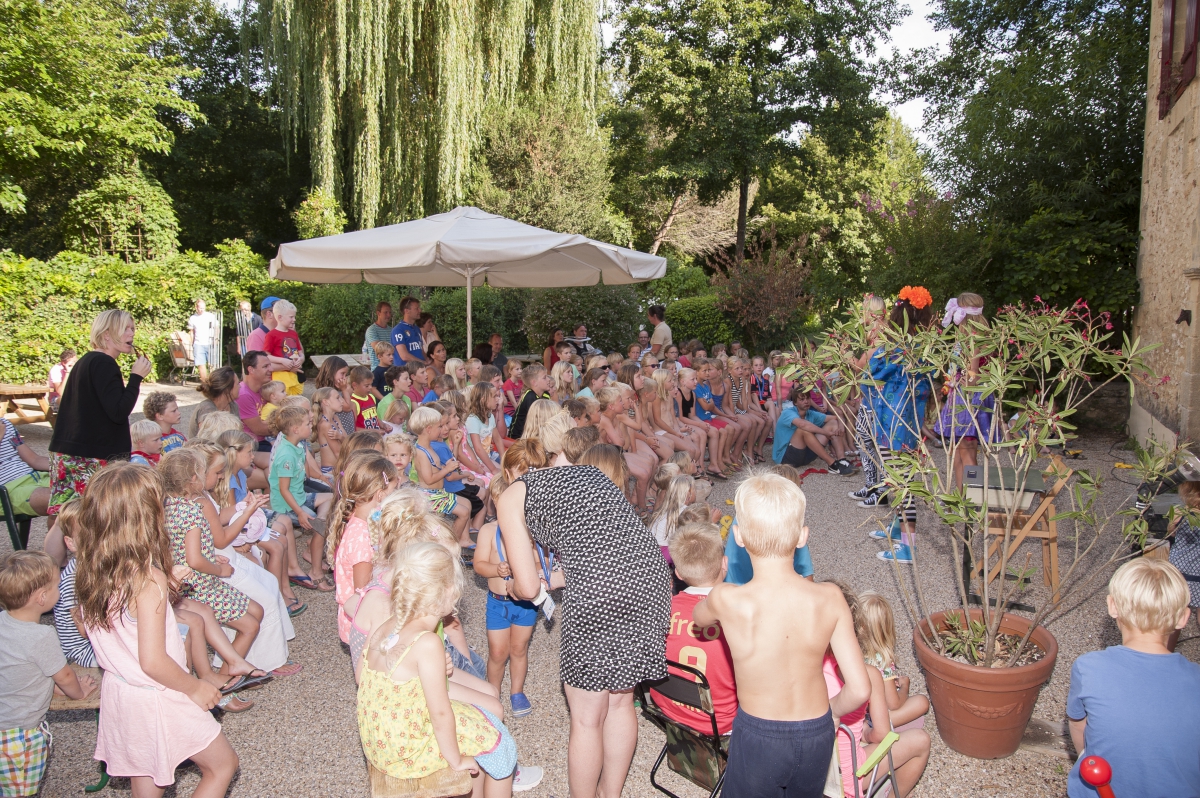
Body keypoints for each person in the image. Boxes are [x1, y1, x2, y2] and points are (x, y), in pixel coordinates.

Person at [495, 442, 671, 798]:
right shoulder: (589, 473)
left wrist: (512, 586)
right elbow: (605, 547)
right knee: (621, 699)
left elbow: (527, 588)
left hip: (599, 590)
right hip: (650, 574)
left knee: (587, 717)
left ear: (511, 475)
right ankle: (610, 793)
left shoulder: (511, 496)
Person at [691, 473, 870, 798]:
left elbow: (698, 618)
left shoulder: (728, 599)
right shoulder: (830, 598)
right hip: (816, 731)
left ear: (739, 536)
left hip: (760, 734)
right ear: (802, 536)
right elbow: (859, 689)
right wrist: (833, 711)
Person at [74, 463, 238, 797]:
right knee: (222, 765)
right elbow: (152, 661)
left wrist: (167, 587)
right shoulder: (148, 579)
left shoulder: (92, 567)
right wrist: (195, 687)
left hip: (122, 692)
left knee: (149, 774)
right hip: (159, 694)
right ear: (147, 517)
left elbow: (103, 625)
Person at [358, 541, 521, 795]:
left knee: (482, 718)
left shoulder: (389, 623)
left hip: (380, 738)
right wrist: (456, 760)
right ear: (448, 590)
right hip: (407, 747)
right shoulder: (427, 642)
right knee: (502, 748)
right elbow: (441, 714)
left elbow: (365, 675)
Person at [1063, 558, 1200, 797]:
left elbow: (1077, 724)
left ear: (1112, 606)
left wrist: (1085, 755)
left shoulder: (1089, 667)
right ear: (1183, 617)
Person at [0, 551, 98, 797]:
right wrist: (79, 692)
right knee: (20, 792)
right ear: (42, 597)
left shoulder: (3, 622)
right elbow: (65, 677)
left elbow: (20, 669)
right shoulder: (41, 636)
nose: (60, 589)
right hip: (21, 735)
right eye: (56, 585)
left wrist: (48, 688)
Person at [47, 309, 151, 532]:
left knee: (64, 517)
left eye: (132, 328)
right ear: (106, 335)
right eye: (125, 328)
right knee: (93, 521)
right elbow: (118, 411)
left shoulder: (86, 360)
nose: (131, 333)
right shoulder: (104, 363)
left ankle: (54, 555)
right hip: (91, 456)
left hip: (69, 451)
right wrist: (136, 378)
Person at [159, 449, 263, 657]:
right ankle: (229, 671)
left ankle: (230, 665)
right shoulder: (193, 511)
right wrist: (219, 569)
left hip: (194, 580)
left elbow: (179, 546)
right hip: (200, 585)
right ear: (193, 478)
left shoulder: (168, 504)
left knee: (256, 611)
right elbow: (194, 560)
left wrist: (209, 555)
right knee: (251, 626)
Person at [474, 473, 561, 718]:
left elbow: (543, 564)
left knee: (519, 649)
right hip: (497, 603)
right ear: (494, 502)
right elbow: (478, 564)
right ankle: (492, 694)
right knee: (497, 652)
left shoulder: (532, 534)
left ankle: (517, 691)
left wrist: (529, 567)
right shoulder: (488, 531)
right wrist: (496, 569)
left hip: (525, 604)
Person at [866, 287, 934, 564]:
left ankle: (909, 547)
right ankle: (897, 527)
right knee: (899, 477)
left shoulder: (895, 346)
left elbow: (874, 370)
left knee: (901, 482)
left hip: (892, 420)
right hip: (911, 419)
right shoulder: (926, 345)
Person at [650, 522, 738, 735]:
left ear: (678, 574)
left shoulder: (660, 610)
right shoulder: (737, 617)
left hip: (668, 708)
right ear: (724, 563)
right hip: (722, 723)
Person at [327, 453, 397, 643]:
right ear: (380, 494)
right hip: (364, 624)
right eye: (394, 489)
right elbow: (363, 591)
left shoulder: (360, 519)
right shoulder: (362, 537)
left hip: (365, 617)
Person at [856, 591, 929, 729]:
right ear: (887, 628)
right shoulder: (881, 660)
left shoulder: (849, 650)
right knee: (922, 701)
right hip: (869, 717)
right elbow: (894, 704)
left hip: (847, 712)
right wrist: (904, 686)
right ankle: (867, 728)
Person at [773, 385, 856, 474]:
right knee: (803, 430)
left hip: (805, 456)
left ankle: (842, 460)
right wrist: (826, 433)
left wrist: (841, 427)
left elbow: (836, 418)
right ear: (795, 403)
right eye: (802, 399)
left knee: (833, 423)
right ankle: (832, 464)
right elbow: (802, 424)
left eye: (808, 398)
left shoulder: (810, 413)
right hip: (785, 458)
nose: (806, 401)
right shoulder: (788, 412)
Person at [0, 419, 50, 520]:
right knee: (63, 498)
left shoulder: (4, 423)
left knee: (82, 489)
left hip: (34, 477)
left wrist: (70, 466)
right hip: (7, 489)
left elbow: (34, 459)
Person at [262, 299, 305, 396]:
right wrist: (282, 361)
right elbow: (266, 356)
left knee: (296, 400)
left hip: (295, 375)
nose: (294, 319)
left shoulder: (293, 334)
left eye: (294, 317)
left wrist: (301, 359)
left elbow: (300, 352)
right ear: (280, 317)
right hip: (280, 376)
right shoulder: (271, 335)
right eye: (291, 317)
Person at [188, 367, 240, 439]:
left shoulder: (233, 405)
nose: (240, 386)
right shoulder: (206, 409)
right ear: (227, 389)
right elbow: (208, 441)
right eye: (238, 384)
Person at [507, 364, 552, 439]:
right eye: (544, 377)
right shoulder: (530, 397)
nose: (548, 379)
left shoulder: (546, 394)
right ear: (534, 382)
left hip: (533, 433)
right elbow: (537, 421)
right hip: (519, 438)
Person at [187, 299, 219, 381]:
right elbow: (191, 332)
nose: (202, 310)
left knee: (212, 364)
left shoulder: (210, 316)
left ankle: (213, 381)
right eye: (200, 308)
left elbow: (217, 328)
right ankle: (205, 383)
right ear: (196, 307)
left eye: (203, 308)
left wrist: (216, 339)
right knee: (201, 364)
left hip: (210, 343)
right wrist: (192, 343)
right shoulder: (193, 318)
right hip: (198, 343)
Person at [348, 366, 385, 430]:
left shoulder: (371, 397)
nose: (370, 387)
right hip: (363, 436)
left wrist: (383, 424)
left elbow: (374, 417)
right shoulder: (354, 402)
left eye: (371, 384)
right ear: (355, 385)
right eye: (367, 386)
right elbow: (353, 428)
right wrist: (373, 431)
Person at [391, 296, 426, 363]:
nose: (420, 310)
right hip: (405, 369)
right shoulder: (398, 330)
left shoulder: (417, 329)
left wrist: (429, 361)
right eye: (416, 308)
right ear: (407, 311)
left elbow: (421, 351)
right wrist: (423, 363)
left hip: (419, 368)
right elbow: (404, 356)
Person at [362, 301, 394, 368]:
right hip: (378, 369)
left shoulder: (392, 330)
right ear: (378, 313)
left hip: (392, 368)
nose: (388, 315)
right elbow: (380, 349)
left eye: (390, 312)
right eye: (385, 312)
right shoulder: (371, 330)